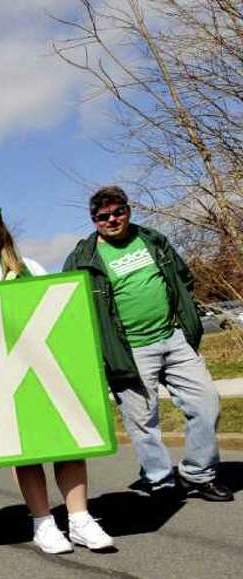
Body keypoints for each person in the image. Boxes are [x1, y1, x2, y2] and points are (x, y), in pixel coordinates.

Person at [0, 205, 116, 554]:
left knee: (68, 440)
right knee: (25, 450)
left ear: (0, 230)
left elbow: (57, 310)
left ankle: (80, 519)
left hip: (43, 367)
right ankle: (43, 522)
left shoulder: (30, 268)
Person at [63, 186, 233, 502]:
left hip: (174, 337)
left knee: (206, 403)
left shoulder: (152, 240)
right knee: (143, 422)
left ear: (128, 210)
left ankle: (197, 475)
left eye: (118, 212)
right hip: (130, 351)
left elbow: (182, 277)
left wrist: (186, 317)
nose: (113, 219)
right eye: (104, 216)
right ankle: (159, 481)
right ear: (94, 220)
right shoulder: (82, 259)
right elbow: (70, 308)